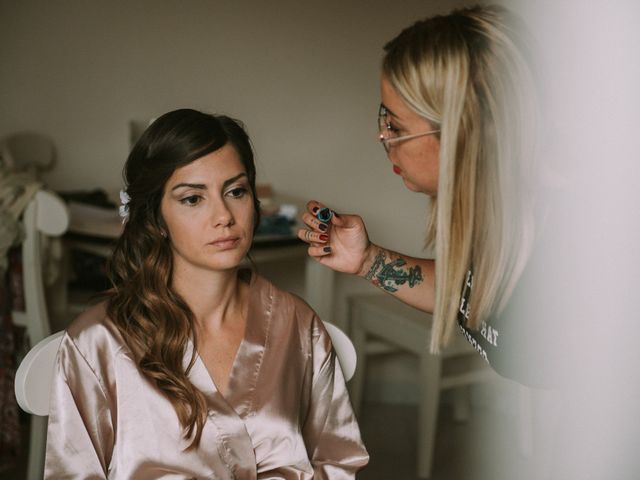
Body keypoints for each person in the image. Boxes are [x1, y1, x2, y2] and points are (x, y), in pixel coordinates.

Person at [45, 109, 368, 479]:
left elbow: (339, 461)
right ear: (155, 218)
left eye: (236, 191)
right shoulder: (98, 343)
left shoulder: (297, 324)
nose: (224, 216)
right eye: (192, 199)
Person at [299, 5, 545, 384]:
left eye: (396, 126)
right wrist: (366, 259)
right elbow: (465, 293)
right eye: (384, 119)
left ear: (463, 132)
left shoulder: (568, 242)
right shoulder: (498, 217)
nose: (384, 137)